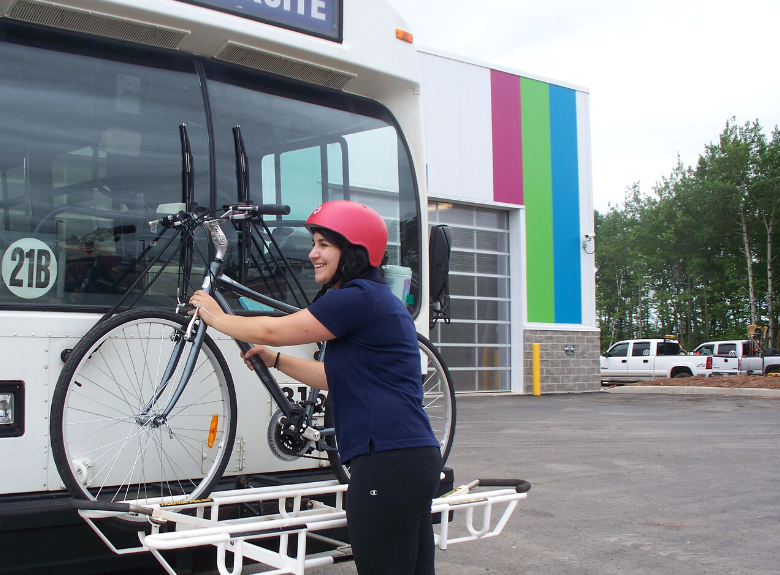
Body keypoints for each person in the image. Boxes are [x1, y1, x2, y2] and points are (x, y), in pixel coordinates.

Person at [189, 200, 442, 575]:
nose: (313, 254)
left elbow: (274, 329)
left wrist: (216, 317)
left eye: (324, 244)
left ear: (354, 251)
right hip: (411, 459)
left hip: (385, 462)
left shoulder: (357, 299)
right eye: (314, 243)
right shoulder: (374, 302)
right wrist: (276, 361)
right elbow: (335, 377)